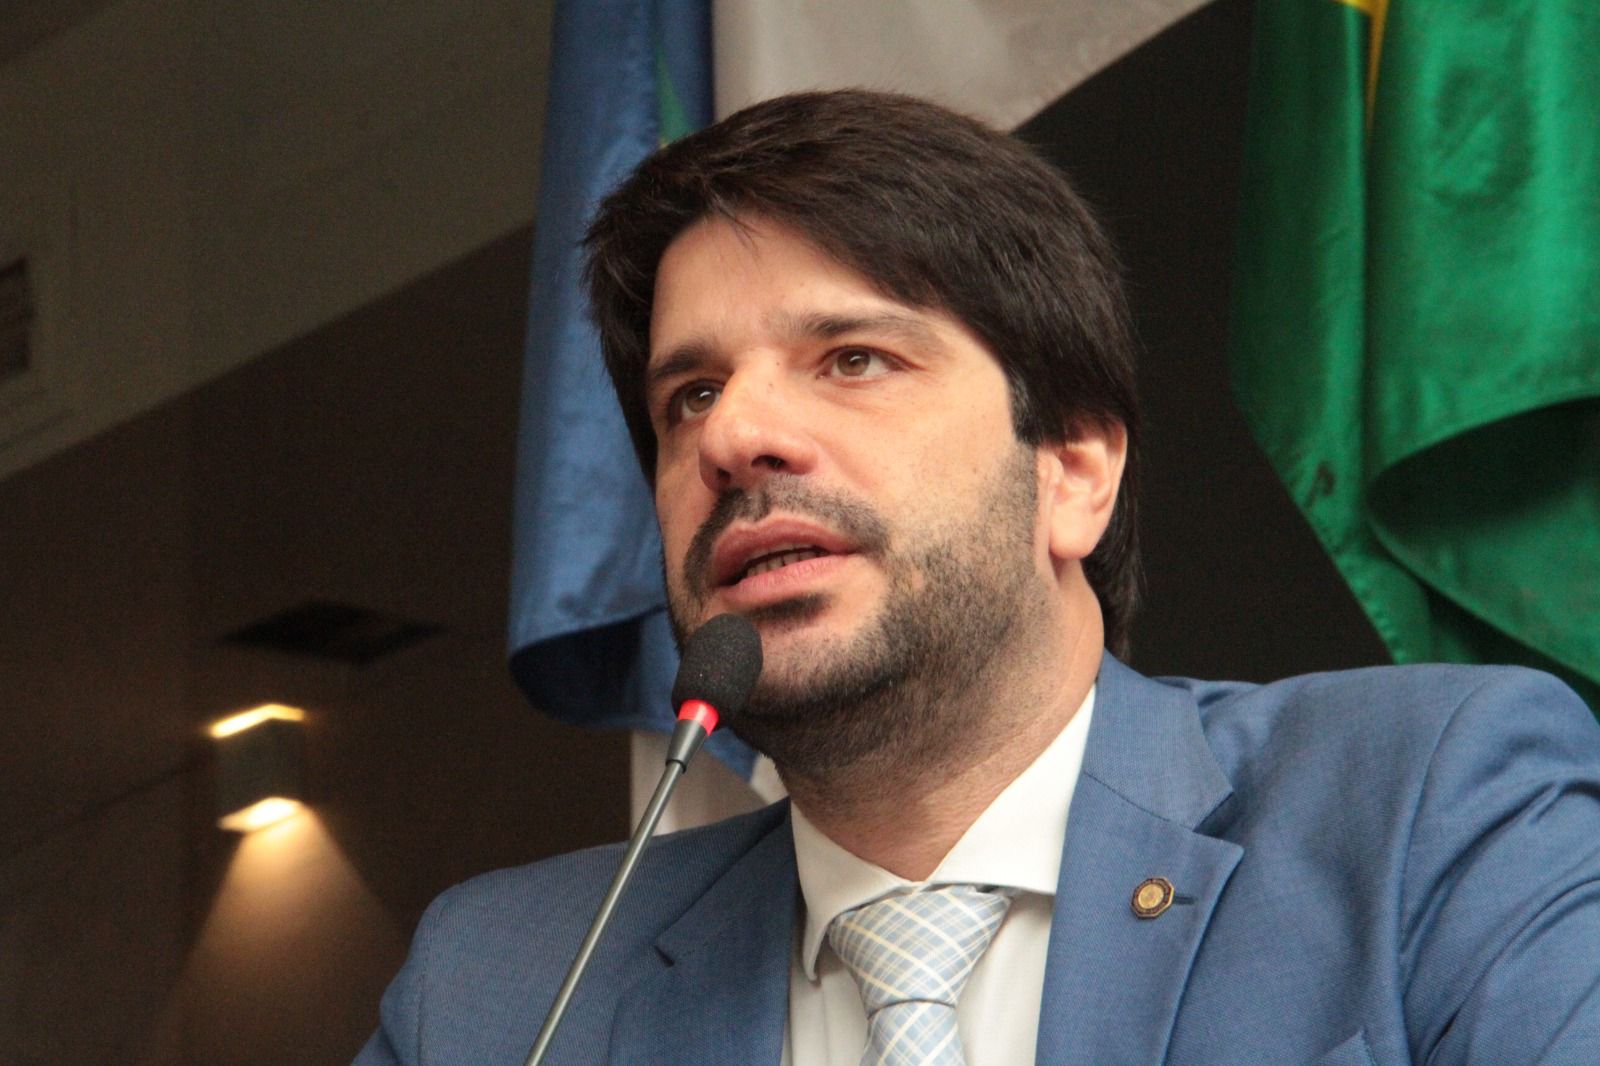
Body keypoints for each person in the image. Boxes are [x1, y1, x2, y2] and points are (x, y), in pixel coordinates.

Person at [355, 91, 1600, 1065]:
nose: (732, 435)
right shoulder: (502, 985)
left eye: (851, 358)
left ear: (1073, 472)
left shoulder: (1430, 807)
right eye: (689, 394)